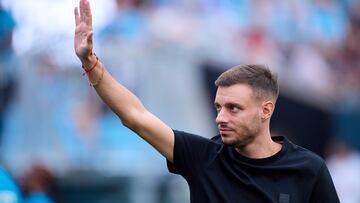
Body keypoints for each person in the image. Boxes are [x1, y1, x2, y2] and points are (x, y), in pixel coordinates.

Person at [73, 0, 340, 202]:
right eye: (219, 108)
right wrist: (89, 62)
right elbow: (135, 116)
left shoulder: (309, 169)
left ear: (265, 110)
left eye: (234, 108)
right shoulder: (202, 158)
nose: (221, 118)